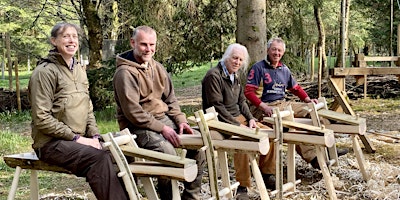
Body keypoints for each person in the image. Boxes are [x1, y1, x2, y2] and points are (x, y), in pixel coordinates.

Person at [28, 22, 128, 200]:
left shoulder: (80, 70)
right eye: (66, 36)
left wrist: (95, 136)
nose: (71, 40)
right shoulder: (44, 72)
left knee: (122, 153)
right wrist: (78, 139)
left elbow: (87, 108)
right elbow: (41, 118)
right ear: (54, 41)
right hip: (50, 144)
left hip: (79, 140)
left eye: (74, 36)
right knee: (98, 158)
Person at [113, 25, 205, 200]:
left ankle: (191, 196)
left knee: (200, 143)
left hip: (164, 119)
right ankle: (168, 197)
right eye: (143, 44)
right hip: (138, 127)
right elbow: (133, 113)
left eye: (152, 44)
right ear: (133, 43)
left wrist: (181, 121)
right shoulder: (124, 73)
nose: (149, 49)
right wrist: (163, 129)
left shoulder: (157, 67)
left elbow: (171, 99)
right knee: (168, 155)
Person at [244, 37, 348, 170]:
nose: (277, 53)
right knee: (292, 126)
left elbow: (295, 88)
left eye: (280, 51)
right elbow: (248, 92)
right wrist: (263, 106)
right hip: (263, 107)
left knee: (313, 111)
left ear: (283, 53)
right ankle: (314, 158)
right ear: (268, 50)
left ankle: (327, 149)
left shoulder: (284, 69)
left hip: (281, 103)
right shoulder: (258, 68)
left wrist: (308, 100)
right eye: (274, 50)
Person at [202, 43, 276, 200]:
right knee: (244, 140)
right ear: (226, 57)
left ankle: (267, 174)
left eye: (241, 60)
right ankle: (242, 186)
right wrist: (239, 126)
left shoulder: (234, 76)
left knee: (270, 133)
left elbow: (242, 102)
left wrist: (250, 119)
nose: (237, 62)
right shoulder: (213, 76)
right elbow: (217, 107)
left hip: (238, 118)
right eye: (235, 58)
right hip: (220, 121)